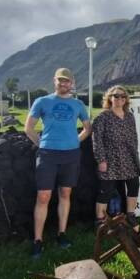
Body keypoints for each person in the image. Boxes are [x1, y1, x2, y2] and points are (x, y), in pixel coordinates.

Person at [25, 68, 91, 258]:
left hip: (71, 154)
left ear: (72, 83)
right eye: (60, 80)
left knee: (65, 193)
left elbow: (87, 128)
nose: (63, 83)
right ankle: (38, 240)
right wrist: (42, 144)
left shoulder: (78, 104)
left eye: (67, 81)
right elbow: (28, 128)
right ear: (54, 81)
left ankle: (61, 234)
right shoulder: (42, 101)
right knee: (43, 196)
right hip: (48, 154)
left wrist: (75, 141)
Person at [92, 86, 140, 229]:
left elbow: (134, 137)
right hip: (110, 159)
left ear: (126, 99)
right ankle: (100, 222)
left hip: (129, 157)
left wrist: (135, 154)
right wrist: (101, 160)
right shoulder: (102, 117)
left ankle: (130, 215)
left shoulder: (130, 116)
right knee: (105, 190)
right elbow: (96, 140)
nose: (120, 98)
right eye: (116, 96)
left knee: (134, 186)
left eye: (123, 96)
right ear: (109, 98)